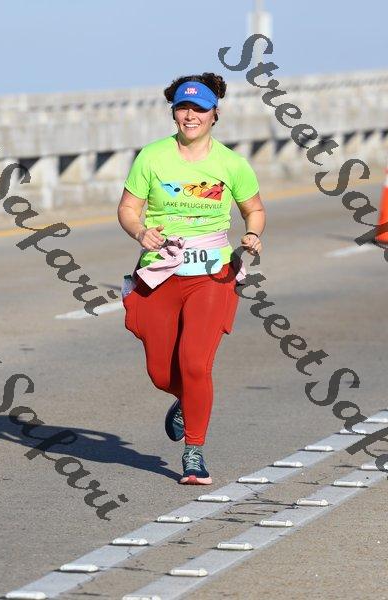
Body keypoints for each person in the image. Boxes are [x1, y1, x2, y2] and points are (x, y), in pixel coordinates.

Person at [117, 72, 265, 485]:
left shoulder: (231, 164)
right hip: (161, 271)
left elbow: (254, 209)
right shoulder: (152, 157)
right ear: (174, 112)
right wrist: (139, 231)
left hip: (212, 275)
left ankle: (194, 452)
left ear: (215, 114)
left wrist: (253, 234)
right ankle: (187, 399)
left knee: (196, 364)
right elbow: (127, 208)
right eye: (183, 107)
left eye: (199, 108)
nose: (190, 115)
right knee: (162, 373)